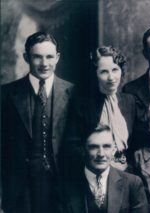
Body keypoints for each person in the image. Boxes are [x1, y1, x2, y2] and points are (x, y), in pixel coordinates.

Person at [1, 32, 74, 213]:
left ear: (57, 57)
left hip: (62, 186)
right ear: (26, 57)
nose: (44, 63)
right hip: (20, 189)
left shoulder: (73, 93)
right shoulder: (6, 94)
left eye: (49, 56)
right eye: (37, 57)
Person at [65, 46, 135, 171]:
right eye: (104, 72)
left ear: (121, 71)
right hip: (94, 170)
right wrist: (105, 165)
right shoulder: (83, 104)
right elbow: (72, 147)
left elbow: (135, 143)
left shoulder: (130, 101)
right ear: (95, 74)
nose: (111, 77)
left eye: (115, 70)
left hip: (126, 172)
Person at [65, 124, 148, 213]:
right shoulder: (65, 188)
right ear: (84, 149)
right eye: (94, 147)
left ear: (114, 149)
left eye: (106, 146)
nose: (101, 154)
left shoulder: (132, 184)